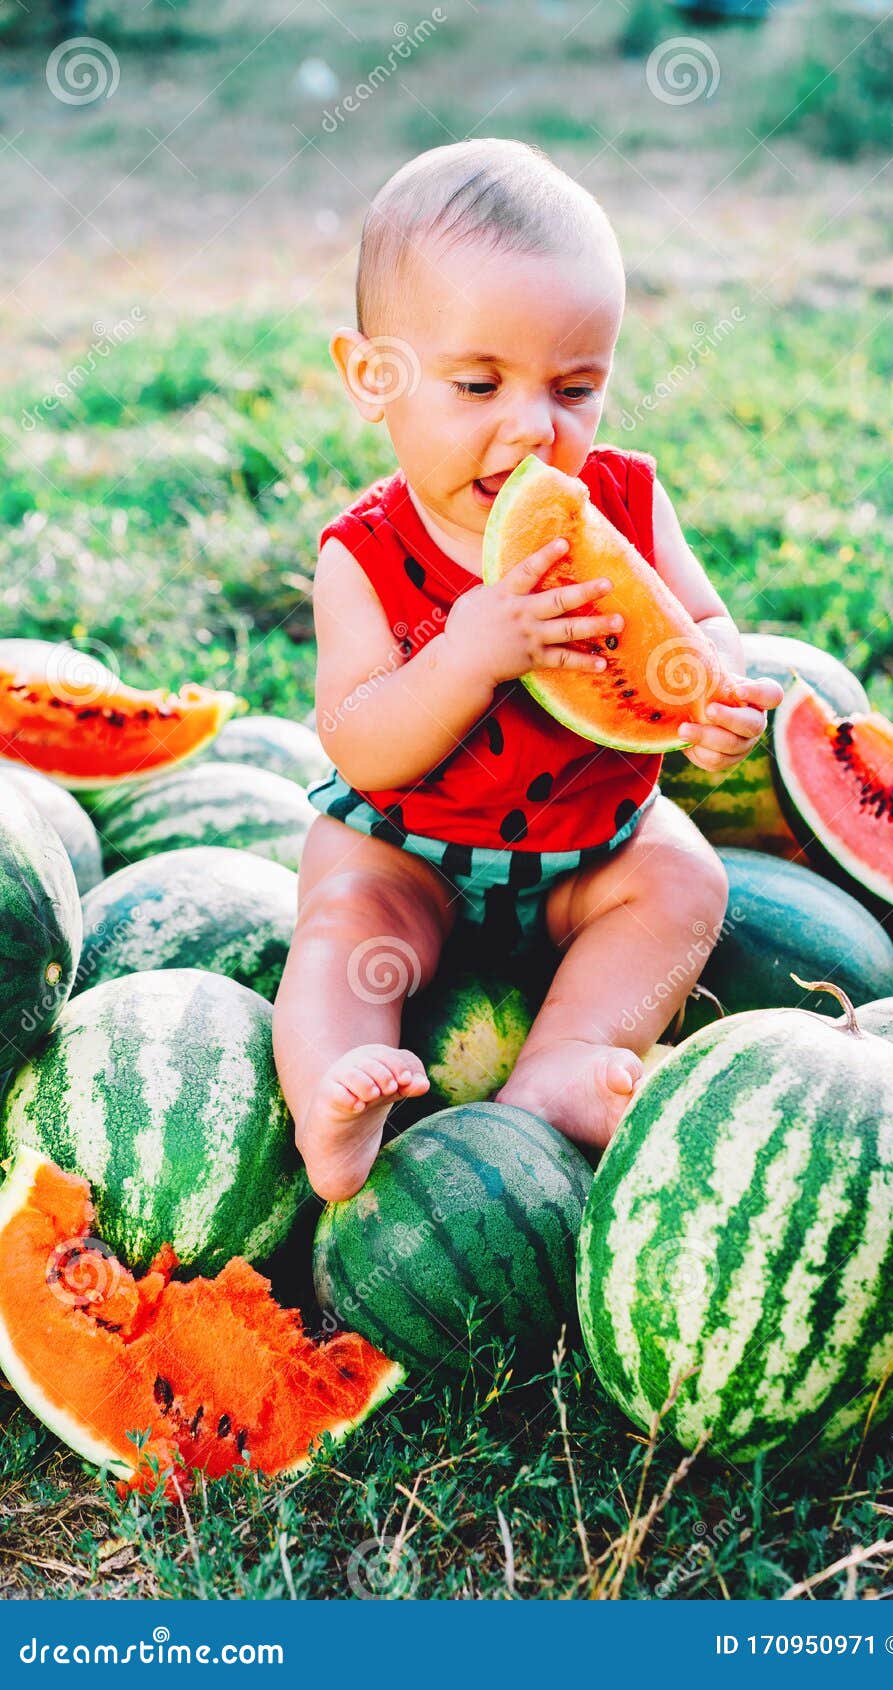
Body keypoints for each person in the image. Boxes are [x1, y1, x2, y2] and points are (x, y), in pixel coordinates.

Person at [273, 138, 782, 1201]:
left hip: (583, 852)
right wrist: (468, 653)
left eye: (573, 387)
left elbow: (698, 620)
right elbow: (358, 743)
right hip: (408, 849)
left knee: (682, 879)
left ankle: (559, 1064)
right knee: (340, 920)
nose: (532, 429)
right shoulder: (361, 556)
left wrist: (711, 690)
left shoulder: (622, 503)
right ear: (373, 378)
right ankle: (334, 1103)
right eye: (477, 383)